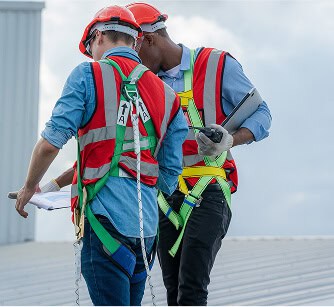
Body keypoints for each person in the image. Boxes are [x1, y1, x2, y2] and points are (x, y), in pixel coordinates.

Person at [14, 5, 188, 306]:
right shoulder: (167, 94)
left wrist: (30, 187)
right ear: (135, 41)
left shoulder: (87, 74)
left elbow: (50, 143)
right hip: (145, 232)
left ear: (98, 37)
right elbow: (171, 169)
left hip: (105, 223)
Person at [126, 3, 272, 306]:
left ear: (148, 39)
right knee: (173, 291)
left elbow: (261, 113)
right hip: (165, 198)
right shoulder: (142, 84)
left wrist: (230, 139)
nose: (132, 63)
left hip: (208, 191)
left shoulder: (217, 65)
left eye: (133, 51)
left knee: (191, 287)